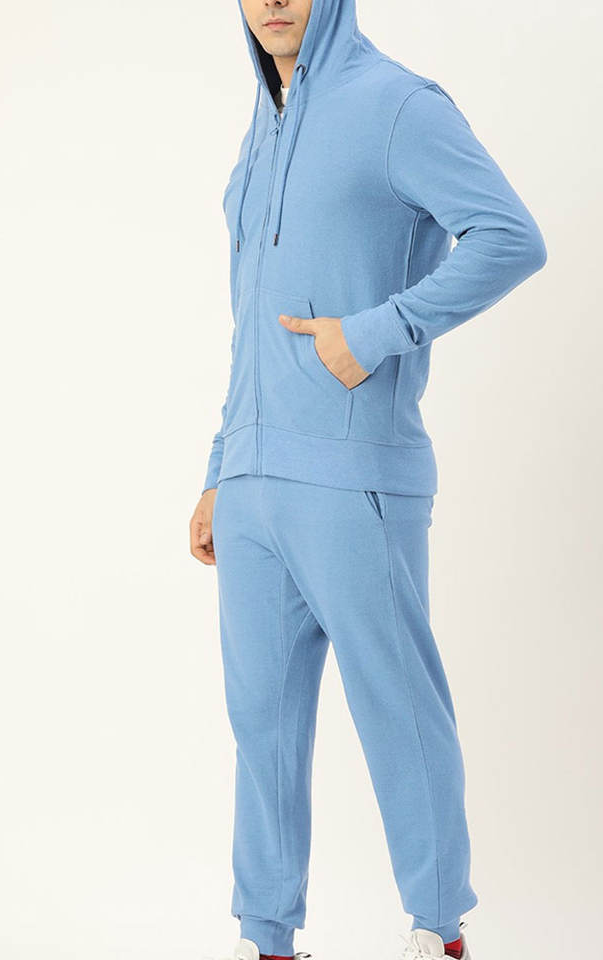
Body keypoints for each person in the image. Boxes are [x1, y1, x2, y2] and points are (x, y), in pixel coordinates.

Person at [188, 2, 547, 958]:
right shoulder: (259, 133)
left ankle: (439, 934)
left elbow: (510, 237)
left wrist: (378, 331)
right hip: (255, 485)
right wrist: (222, 465)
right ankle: (266, 940)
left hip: (356, 480)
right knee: (261, 730)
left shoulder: (397, 104)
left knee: (397, 711)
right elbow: (251, 322)